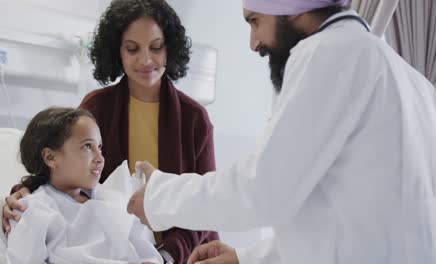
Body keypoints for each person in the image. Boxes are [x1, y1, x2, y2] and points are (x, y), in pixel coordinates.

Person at [127, 0, 436, 263]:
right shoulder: (412, 80)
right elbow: (338, 214)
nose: (253, 43)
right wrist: (247, 258)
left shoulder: (329, 51)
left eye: (255, 22)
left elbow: (261, 190)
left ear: (291, 10)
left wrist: (158, 196)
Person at [2, 0, 219, 263]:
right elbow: (63, 165)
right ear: (117, 51)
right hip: (116, 248)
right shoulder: (97, 108)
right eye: (132, 49)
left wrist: (166, 256)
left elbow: (205, 202)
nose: (145, 60)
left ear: (169, 48)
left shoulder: (193, 118)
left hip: (186, 251)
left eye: (156, 47)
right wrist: (22, 195)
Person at [6, 107, 162, 264]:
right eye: (87, 146)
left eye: (99, 147)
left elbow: (145, 250)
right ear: (51, 157)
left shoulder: (113, 200)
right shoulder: (33, 209)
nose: (100, 158)